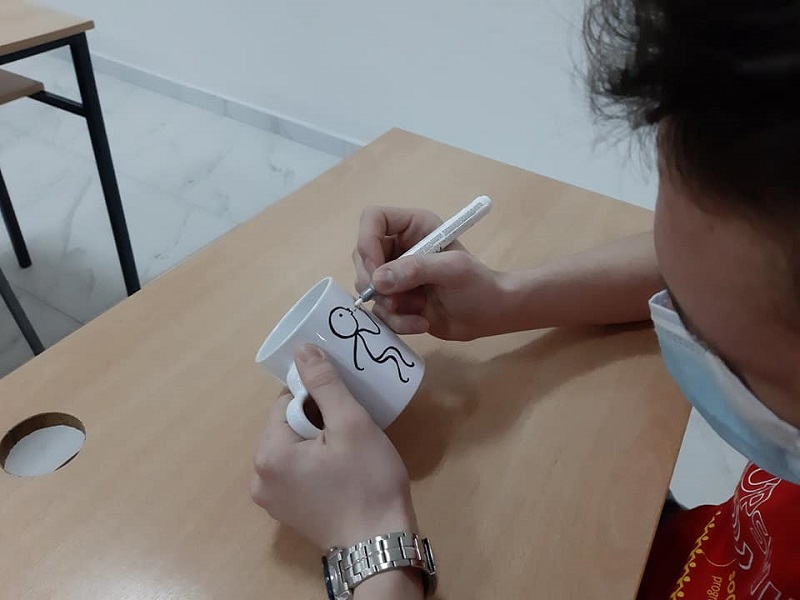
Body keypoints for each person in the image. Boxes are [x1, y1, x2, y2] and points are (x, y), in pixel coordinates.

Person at [249, 0, 800, 597]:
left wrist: (375, 549)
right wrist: (507, 298)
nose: (679, 324)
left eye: (718, 346)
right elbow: (703, 260)